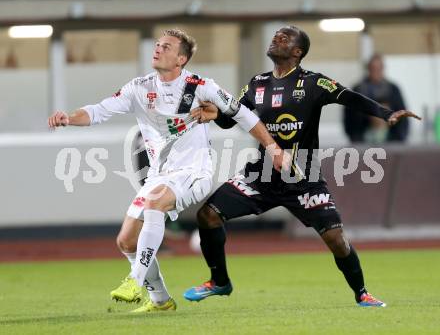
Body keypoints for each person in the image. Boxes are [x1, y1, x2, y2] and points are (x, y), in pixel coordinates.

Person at [48, 28, 289, 314]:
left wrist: (273, 148)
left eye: (166, 46)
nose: (158, 49)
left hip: (194, 171)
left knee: (155, 203)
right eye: (158, 44)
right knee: (126, 240)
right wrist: (68, 118)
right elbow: (99, 110)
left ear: (181, 59)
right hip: (160, 175)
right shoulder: (140, 87)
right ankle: (161, 300)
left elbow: (243, 114)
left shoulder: (201, 86)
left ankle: (134, 281)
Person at [184, 25, 421, 307]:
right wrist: (216, 114)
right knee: (208, 215)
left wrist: (386, 113)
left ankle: (362, 293)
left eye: (284, 38)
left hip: (304, 178)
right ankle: (220, 282)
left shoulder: (313, 83)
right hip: (262, 176)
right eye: (275, 36)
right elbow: (234, 117)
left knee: (336, 239)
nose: (276, 39)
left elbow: (349, 96)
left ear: (297, 52)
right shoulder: (257, 83)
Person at [344, 54, 409, 143]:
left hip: (390, 139)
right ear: (368, 69)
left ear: (383, 69)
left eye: (379, 68)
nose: (376, 72)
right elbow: (349, 118)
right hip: (364, 139)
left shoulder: (393, 89)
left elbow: (403, 117)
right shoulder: (358, 90)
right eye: (373, 68)